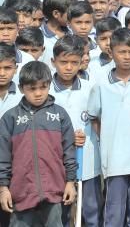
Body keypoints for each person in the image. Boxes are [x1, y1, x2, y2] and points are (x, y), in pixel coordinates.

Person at [87, 27, 130, 227]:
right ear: (111, 52)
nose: (127, 56)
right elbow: (94, 118)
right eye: (122, 51)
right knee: (114, 210)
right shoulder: (101, 84)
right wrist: (110, 139)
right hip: (115, 159)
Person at [0, 61, 77, 226]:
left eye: (43, 87)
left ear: (49, 85)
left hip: (54, 192)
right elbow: (3, 157)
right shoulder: (10, 118)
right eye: (32, 88)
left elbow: (69, 151)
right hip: (21, 193)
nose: (38, 93)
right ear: (21, 88)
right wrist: (3, 188)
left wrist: (71, 182)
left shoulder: (60, 115)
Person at [50, 36, 101, 227]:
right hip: (56, 165)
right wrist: (67, 138)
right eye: (63, 62)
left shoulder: (91, 88)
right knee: (60, 214)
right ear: (53, 62)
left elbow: (98, 121)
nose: (69, 67)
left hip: (87, 162)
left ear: (81, 62)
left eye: (74, 62)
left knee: (91, 212)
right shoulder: (45, 90)